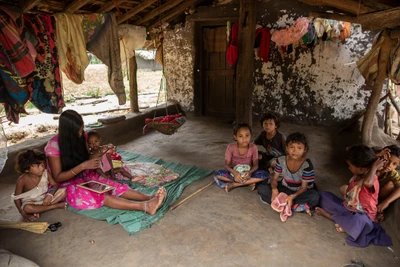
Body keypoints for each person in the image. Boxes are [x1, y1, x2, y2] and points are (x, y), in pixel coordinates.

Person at [44, 110, 166, 215]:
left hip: (84, 175)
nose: (81, 133)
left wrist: (102, 150)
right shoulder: (54, 146)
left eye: (81, 129)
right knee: (100, 195)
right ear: (69, 132)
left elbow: (88, 157)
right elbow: (58, 177)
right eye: (79, 131)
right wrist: (82, 166)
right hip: (67, 184)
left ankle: (150, 198)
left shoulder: (83, 137)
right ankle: (145, 206)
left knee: (114, 186)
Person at [316, 145, 392, 247]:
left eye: (350, 166)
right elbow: (349, 148)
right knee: (324, 196)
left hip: (363, 215)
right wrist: (377, 156)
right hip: (348, 207)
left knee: (361, 222)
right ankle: (346, 224)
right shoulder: (362, 172)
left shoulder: (371, 179)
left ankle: (331, 217)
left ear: (361, 168)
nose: (349, 168)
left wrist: (374, 166)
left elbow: (367, 183)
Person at [257, 132, 319, 216]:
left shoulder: (306, 165)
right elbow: (274, 179)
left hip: (300, 192)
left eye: (299, 148)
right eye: (291, 147)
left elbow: (304, 187)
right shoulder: (281, 160)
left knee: (314, 197)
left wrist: (292, 196)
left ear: (305, 149)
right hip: (285, 187)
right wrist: (274, 189)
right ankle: (296, 206)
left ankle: (282, 203)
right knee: (262, 188)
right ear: (286, 148)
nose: (295, 151)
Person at [12, 150, 67, 222]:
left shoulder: (46, 173)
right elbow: (16, 198)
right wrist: (22, 213)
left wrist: (49, 195)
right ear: (26, 169)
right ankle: (54, 206)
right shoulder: (21, 180)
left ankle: (40, 209)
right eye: (38, 166)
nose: (42, 168)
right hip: (31, 201)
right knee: (27, 208)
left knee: (64, 192)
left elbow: (54, 185)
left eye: (43, 164)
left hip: (45, 198)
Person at [214, 123, 269, 193]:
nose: (244, 139)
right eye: (240, 136)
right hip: (233, 174)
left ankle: (234, 184)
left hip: (248, 174)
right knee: (217, 174)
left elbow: (255, 165)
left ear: (251, 136)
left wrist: (249, 172)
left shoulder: (253, 147)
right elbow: (226, 165)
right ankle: (248, 183)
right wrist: (234, 173)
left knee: (265, 174)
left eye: (247, 135)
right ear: (235, 137)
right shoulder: (231, 147)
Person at [374, 145, 400, 216]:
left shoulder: (392, 173)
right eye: (388, 160)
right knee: (344, 188)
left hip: (376, 196)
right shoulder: (373, 163)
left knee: (390, 185)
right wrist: (378, 155)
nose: (389, 165)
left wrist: (386, 202)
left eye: (394, 164)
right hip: (362, 191)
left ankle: (376, 203)